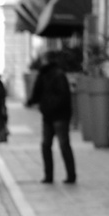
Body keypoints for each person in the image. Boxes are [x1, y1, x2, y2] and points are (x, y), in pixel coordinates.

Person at [26, 51, 76, 184]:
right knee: (48, 145)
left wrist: (46, 105)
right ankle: (50, 175)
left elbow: (63, 96)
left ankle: (68, 175)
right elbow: (37, 92)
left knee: (61, 144)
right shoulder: (45, 74)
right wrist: (32, 101)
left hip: (58, 115)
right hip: (50, 115)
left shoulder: (57, 74)